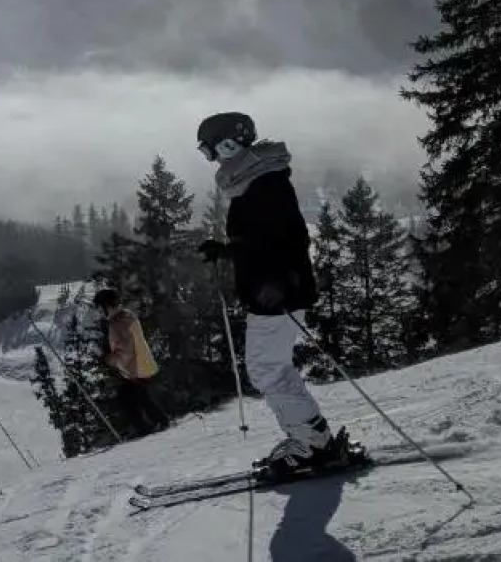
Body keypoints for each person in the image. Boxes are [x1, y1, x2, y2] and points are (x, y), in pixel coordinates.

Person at [194, 111, 348, 475]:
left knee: (267, 370)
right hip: (274, 289)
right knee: (272, 369)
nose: (212, 160)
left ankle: (312, 445)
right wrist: (228, 249)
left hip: (276, 293)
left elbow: (289, 239)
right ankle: (313, 438)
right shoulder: (256, 180)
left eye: (210, 150)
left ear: (229, 144)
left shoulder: (265, 184)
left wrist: (278, 285)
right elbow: (262, 240)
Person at [92, 287, 171, 436]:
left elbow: (127, 349)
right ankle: (159, 421)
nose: (99, 312)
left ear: (107, 306)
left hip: (135, 368)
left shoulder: (118, 322)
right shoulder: (126, 316)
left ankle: (146, 428)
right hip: (140, 365)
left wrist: (110, 359)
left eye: (100, 308)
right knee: (140, 396)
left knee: (127, 399)